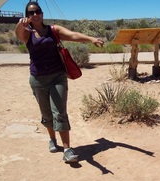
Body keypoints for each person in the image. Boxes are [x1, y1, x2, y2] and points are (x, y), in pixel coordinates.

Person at [15, 1, 104, 163]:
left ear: (42, 13)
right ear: (27, 16)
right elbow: (19, 34)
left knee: (59, 112)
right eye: (30, 13)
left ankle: (67, 149)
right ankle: (52, 139)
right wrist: (20, 25)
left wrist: (91, 38)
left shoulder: (53, 30)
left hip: (57, 77)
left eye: (37, 11)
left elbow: (73, 35)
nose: (34, 15)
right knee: (46, 113)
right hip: (37, 79)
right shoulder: (27, 33)